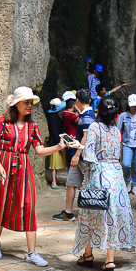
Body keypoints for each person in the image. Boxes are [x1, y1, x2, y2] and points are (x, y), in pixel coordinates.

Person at [0, 86, 69, 266]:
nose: (30, 105)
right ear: (16, 104)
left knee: (28, 206)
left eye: (31, 102)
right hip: (3, 167)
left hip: (24, 169)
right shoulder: (1, 121)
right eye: (27, 102)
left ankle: (31, 253)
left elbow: (39, 151)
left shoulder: (33, 127)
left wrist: (59, 147)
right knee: (0, 203)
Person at [73, 97, 136, 271]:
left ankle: (88, 255)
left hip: (99, 175)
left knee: (91, 212)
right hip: (115, 176)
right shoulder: (116, 131)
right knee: (114, 215)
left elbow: (90, 154)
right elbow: (117, 153)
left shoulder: (94, 127)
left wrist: (78, 147)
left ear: (98, 111)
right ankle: (110, 261)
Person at [53, 89, 96, 221]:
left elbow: (86, 137)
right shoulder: (85, 114)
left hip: (83, 157)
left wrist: (77, 155)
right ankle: (68, 212)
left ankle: (92, 213)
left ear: (77, 101)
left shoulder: (87, 116)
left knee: (90, 184)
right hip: (79, 155)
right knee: (71, 183)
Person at [117, 94, 136, 197]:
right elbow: (117, 130)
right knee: (126, 164)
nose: (134, 107)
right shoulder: (123, 116)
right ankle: (128, 181)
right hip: (127, 144)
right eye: (132, 105)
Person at [47, 98, 67, 189]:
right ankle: (54, 181)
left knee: (56, 163)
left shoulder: (54, 116)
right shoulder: (53, 117)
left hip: (57, 141)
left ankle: (55, 179)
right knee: (54, 164)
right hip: (55, 142)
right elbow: (55, 131)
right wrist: (59, 144)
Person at [61, 91, 78, 170]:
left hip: (70, 138)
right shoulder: (69, 115)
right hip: (72, 138)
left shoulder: (65, 114)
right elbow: (80, 119)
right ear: (74, 106)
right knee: (73, 158)